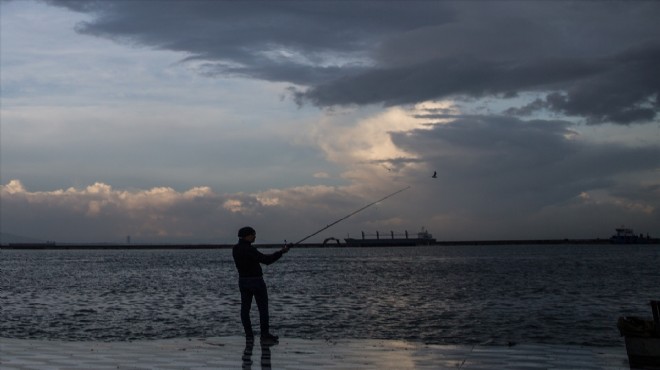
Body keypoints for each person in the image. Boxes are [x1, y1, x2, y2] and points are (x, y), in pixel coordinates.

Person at [232, 226, 290, 344]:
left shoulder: (235, 249)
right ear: (247, 236)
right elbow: (266, 260)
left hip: (243, 281)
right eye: (253, 234)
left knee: (245, 309)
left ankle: (249, 335)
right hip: (256, 281)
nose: (255, 236)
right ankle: (265, 335)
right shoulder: (250, 249)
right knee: (263, 309)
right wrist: (281, 252)